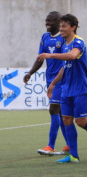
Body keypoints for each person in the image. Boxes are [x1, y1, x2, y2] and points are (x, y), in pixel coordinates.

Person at [37, 14, 87, 163]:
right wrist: (53, 83)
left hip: (81, 89)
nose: (61, 28)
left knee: (81, 122)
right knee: (67, 119)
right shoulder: (64, 44)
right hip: (66, 89)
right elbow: (64, 68)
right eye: (60, 25)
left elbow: (72, 56)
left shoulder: (78, 42)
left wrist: (50, 55)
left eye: (64, 26)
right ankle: (74, 156)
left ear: (73, 27)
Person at [23, 11, 69, 156]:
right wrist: (30, 72)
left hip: (61, 79)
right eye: (46, 21)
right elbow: (40, 58)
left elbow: (66, 60)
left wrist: (56, 81)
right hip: (49, 78)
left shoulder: (63, 39)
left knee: (53, 109)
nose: (47, 23)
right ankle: (69, 144)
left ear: (59, 22)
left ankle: (50, 146)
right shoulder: (45, 37)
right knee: (61, 113)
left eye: (50, 21)